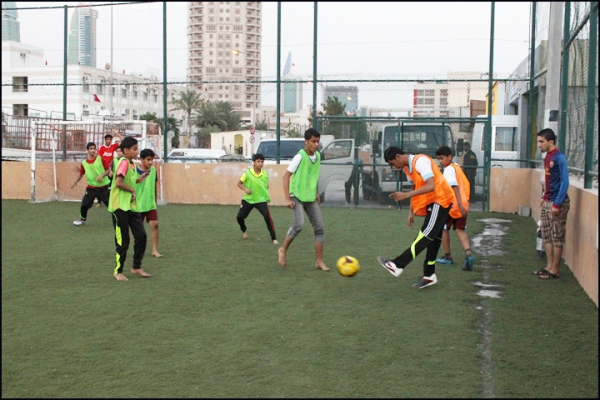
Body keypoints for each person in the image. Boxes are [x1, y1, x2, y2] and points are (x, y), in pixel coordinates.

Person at [376, 146, 455, 289]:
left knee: (425, 235)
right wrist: (410, 212)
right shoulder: (407, 168)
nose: (394, 167)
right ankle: (429, 275)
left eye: (393, 163)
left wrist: (405, 195)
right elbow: (415, 187)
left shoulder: (420, 162)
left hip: (441, 200)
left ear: (398, 156)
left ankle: (397, 264)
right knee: (433, 239)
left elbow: (431, 186)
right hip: (434, 202)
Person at [278, 128, 330, 271]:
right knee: (299, 225)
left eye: (318, 141)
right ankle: (283, 249)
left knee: (320, 229)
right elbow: (286, 176)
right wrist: (287, 198)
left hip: (310, 197)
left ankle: (319, 261)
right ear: (306, 141)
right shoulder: (300, 156)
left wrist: (315, 192)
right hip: (296, 195)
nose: (316, 144)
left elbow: (312, 175)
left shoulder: (317, 156)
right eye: (313, 141)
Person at [107, 136, 150, 281]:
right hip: (119, 207)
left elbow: (128, 181)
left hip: (131, 207)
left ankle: (136, 267)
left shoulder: (131, 164)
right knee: (123, 241)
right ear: (126, 150)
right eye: (134, 149)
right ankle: (118, 271)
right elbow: (118, 183)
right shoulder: (124, 163)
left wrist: (138, 180)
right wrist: (132, 190)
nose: (137, 152)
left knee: (141, 236)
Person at [533, 128, 570, 280]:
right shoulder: (547, 156)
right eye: (538, 141)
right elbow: (550, 180)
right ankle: (549, 266)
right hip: (548, 200)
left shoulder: (559, 157)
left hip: (557, 202)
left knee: (557, 237)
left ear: (551, 142)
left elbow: (564, 182)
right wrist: (544, 196)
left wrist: (557, 204)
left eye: (541, 142)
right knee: (546, 235)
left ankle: (555, 270)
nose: (539, 145)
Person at [435, 145, 475, 271]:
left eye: (442, 158)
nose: (440, 161)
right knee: (460, 230)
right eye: (438, 159)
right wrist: (463, 204)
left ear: (449, 157)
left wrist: (459, 204)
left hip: (452, 205)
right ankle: (468, 254)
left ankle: (448, 257)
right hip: (463, 204)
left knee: (444, 229)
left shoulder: (448, 170)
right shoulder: (457, 167)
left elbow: (454, 186)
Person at [236, 153, 278, 244]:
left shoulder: (265, 173)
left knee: (267, 217)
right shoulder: (247, 173)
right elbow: (239, 183)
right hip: (248, 199)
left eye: (262, 162)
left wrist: (265, 194)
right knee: (239, 217)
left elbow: (266, 185)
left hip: (261, 200)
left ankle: (273, 238)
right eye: (258, 161)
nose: (260, 163)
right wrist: (246, 189)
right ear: (254, 163)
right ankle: (244, 229)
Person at [71, 142, 111, 226]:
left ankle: (120, 219)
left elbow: (108, 170)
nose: (93, 150)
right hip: (91, 188)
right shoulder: (84, 163)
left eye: (94, 148)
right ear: (87, 150)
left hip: (103, 188)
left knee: (111, 205)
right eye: (91, 149)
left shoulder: (100, 159)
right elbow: (81, 174)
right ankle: (82, 220)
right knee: (84, 204)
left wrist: (102, 175)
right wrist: (75, 182)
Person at [136, 148, 163, 258]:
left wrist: (155, 202)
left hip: (150, 204)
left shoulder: (153, 170)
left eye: (152, 159)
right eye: (148, 159)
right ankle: (138, 250)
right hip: (138, 205)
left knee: (155, 225)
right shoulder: (134, 171)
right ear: (141, 159)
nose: (150, 162)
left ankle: (154, 250)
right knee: (138, 230)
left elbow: (154, 186)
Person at [96, 131, 124, 207]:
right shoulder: (101, 147)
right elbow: (98, 158)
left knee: (110, 185)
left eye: (110, 139)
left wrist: (117, 134)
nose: (109, 141)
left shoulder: (113, 146)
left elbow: (123, 141)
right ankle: (99, 202)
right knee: (100, 185)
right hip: (102, 169)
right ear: (105, 140)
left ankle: (110, 200)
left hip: (110, 169)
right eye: (107, 139)